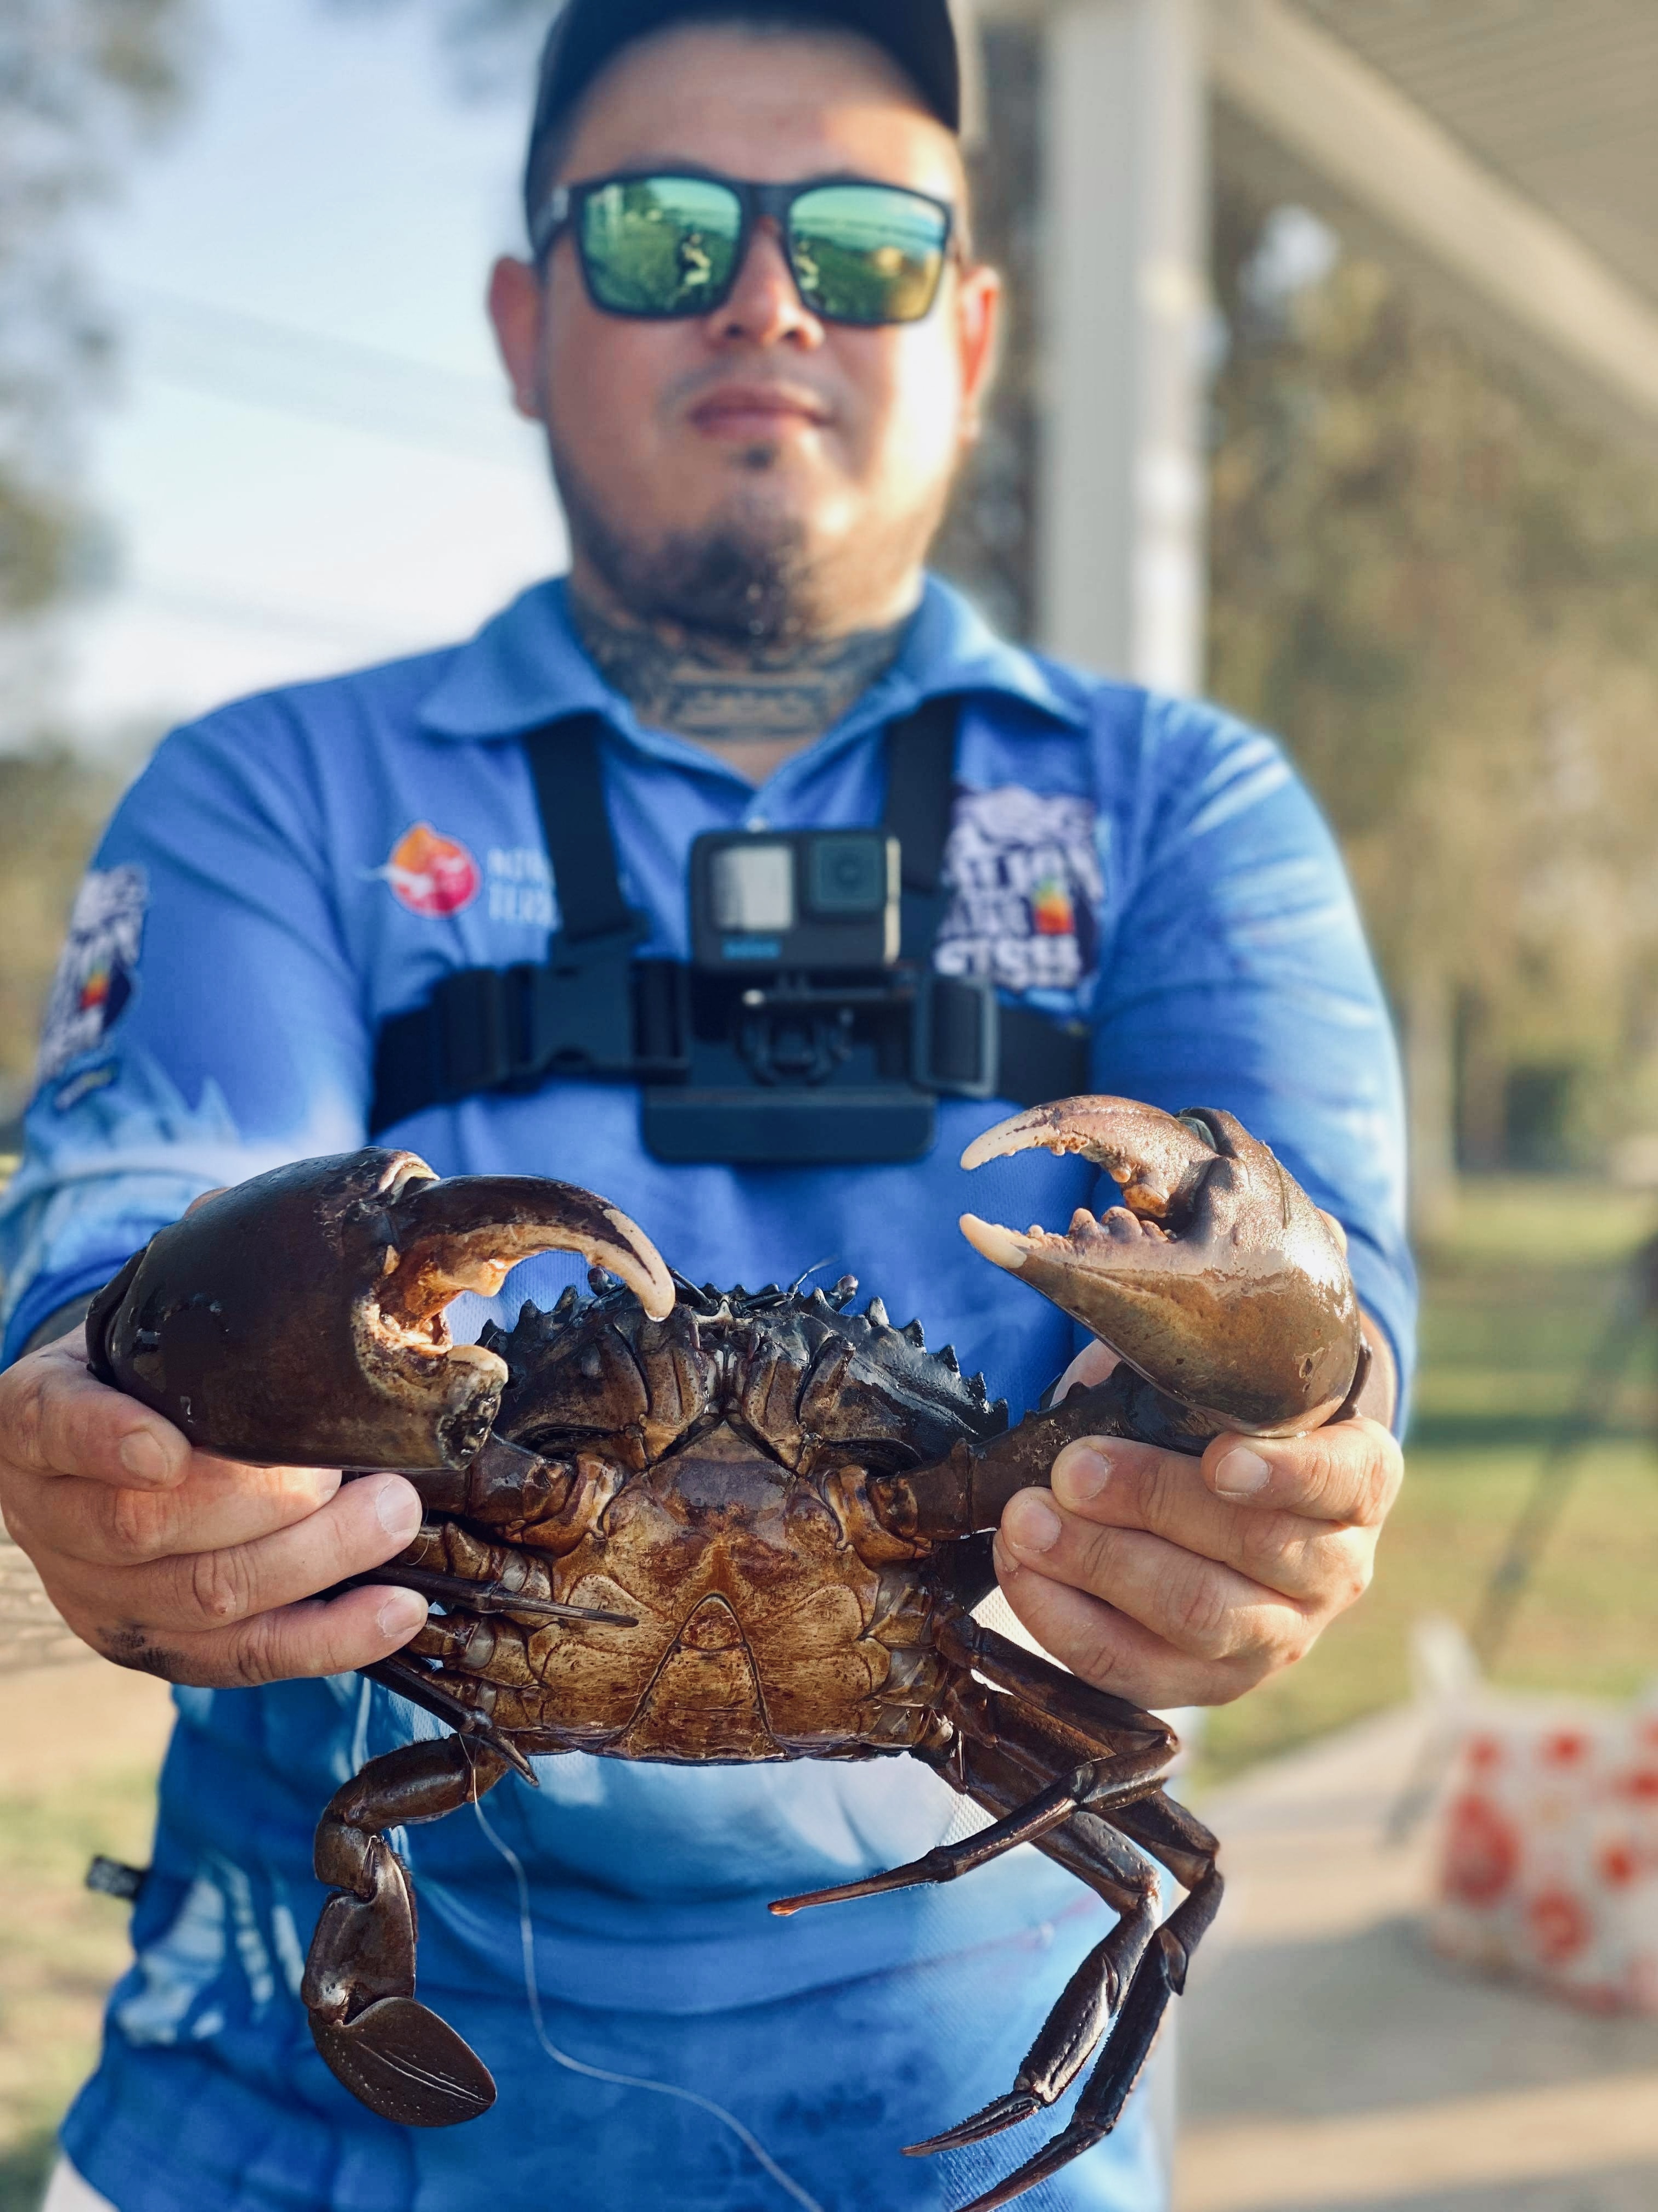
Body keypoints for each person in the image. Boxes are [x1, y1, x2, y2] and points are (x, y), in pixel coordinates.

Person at [0, 4, 1412, 2208]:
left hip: (960, 2116)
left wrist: (1290, 1458)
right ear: (521, 314)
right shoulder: (276, 791)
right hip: (293, 2115)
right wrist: (109, 1383)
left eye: (860, 245)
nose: (767, 299)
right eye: (664, 233)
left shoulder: (1176, 807)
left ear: (971, 328)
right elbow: (129, 1224)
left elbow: (1327, 1329)